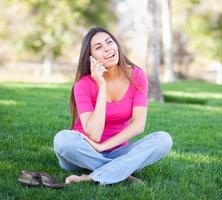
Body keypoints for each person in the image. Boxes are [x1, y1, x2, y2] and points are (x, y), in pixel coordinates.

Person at [53, 26, 173, 185]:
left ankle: (93, 176)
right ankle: (121, 172)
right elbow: (94, 136)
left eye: (109, 42)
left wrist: (103, 147)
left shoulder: (137, 75)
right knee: (63, 140)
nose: (107, 48)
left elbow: (138, 125)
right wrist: (101, 86)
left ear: (117, 45)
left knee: (163, 140)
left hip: (118, 151)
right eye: (98, 47)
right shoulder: (83, 85)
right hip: (83, 152)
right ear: (91, 58)